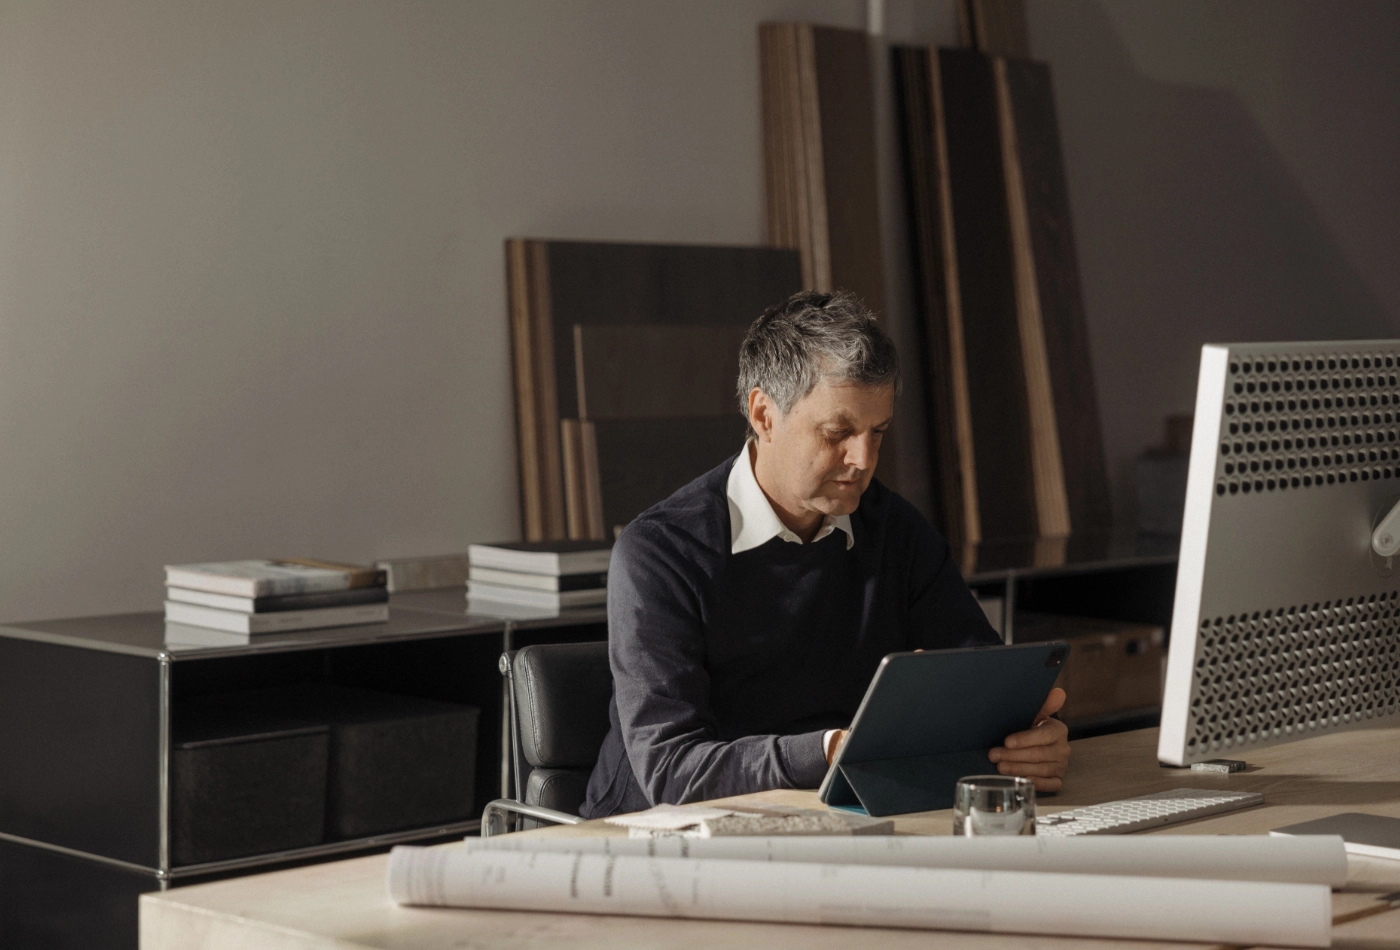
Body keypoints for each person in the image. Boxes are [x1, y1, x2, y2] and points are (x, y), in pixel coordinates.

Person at [580, 290, 1070, 818]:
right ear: (764, 414)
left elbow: (980, 682)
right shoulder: (661, 553)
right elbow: (671, 770)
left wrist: (1030, 740)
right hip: (652, 842)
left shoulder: (897, 532)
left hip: (836, 818)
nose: (863, 459)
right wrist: (831, 751)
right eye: (838, 433)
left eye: (877, 432)